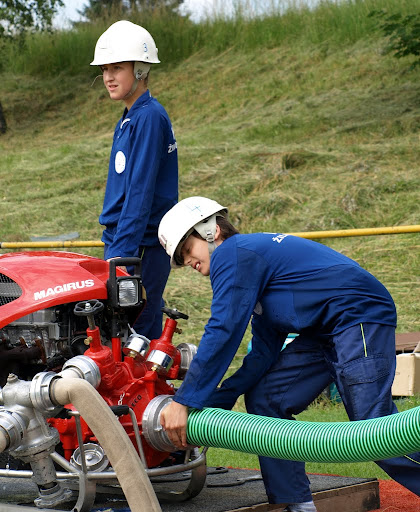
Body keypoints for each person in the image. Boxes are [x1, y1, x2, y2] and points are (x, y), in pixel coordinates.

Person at [158, 196, 420, 512]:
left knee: (376, 432)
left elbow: (223, 329)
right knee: (266, 398)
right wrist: (215, 401)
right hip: (324, 332)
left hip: (356, 316)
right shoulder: (255, 270)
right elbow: (262, 355)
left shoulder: (233, 253)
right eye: (182, 259)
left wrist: (185, 400)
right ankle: (297, 504)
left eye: (188, 250)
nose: (188, 262)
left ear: (211, 231)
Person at [90, 20, 178, 339]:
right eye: (104, 69)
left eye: (117, 68)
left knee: (133, 330)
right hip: (123, 238)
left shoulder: (149, 117)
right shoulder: (129, 117)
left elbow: (139, 193)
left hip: (141, 244)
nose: (108, 77)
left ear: (140, 69)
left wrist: (122, 255)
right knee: (118, 328)